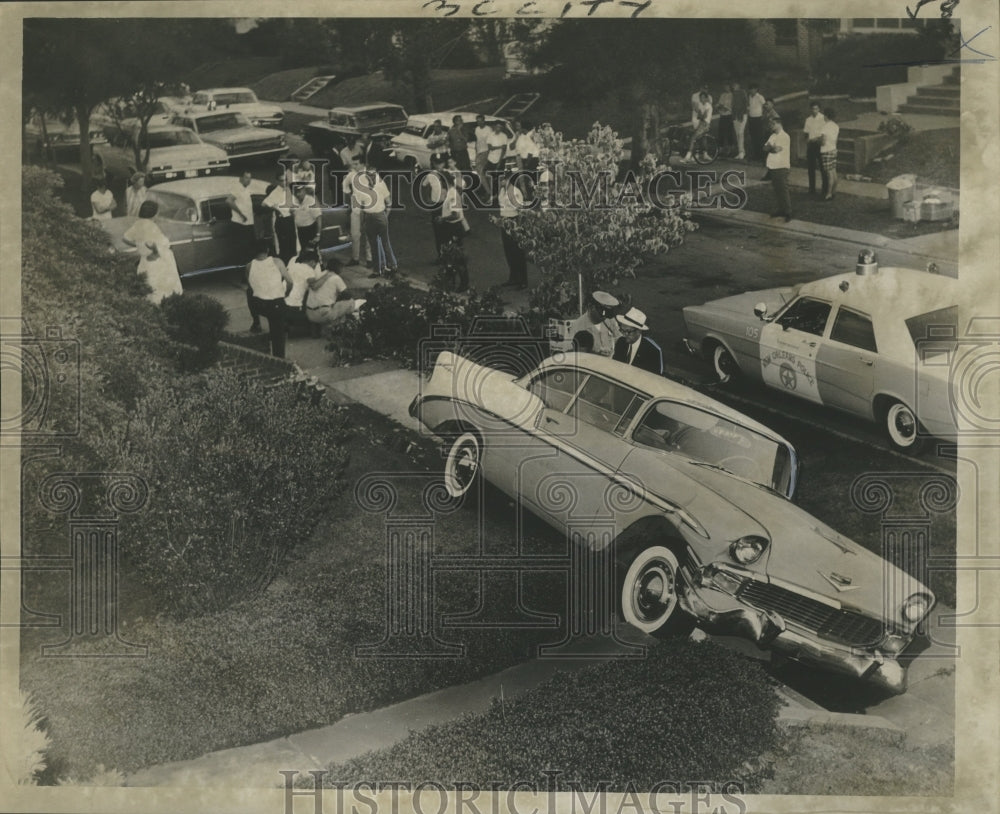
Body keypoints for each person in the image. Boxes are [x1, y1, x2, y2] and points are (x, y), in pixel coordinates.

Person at [122, 200, 182, 304]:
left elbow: (125, 238)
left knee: (148, 284)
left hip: (144, 260)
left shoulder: (138, 224)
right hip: (155, 260)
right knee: (160, 286)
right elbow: (160, 244)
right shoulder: (152, 226)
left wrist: (138, 245)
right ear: (153, 213)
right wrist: (155, 249)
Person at [245, 239, 291, 355]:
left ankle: (256, 322)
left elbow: (251, 286)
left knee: (249, 292)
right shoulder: (277, 262)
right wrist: (286, 293)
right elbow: (290, 282)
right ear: (268, 250)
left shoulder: (249, 266)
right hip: (276, 304)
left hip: (259, 305)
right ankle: (279, 357)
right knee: (278, 335)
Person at [355, 161, 398, 278]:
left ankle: (393, 266)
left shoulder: (381, 184)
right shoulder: (362, 187)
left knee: (385, 242)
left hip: (379, 215)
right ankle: (377, 269)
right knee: (373, 245)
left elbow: (389, 202)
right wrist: (361, 222)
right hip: (368, 217)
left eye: (374, 174)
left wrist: (386, 216)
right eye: (369, 174)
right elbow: (361, 206)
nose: (371, 177)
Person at [304, 258, 366, 327]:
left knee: (334, 305)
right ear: (338, 268)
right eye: (341, 268)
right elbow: (347, 295)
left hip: (309, 314)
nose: (342, 270)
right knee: (350, 302)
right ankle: (336, 325)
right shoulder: (335, 277)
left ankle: (325, 325)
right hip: (323, 314)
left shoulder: (320, 274)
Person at [567, 291, 621, 358]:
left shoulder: (609, 320)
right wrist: (596, 354)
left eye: (607, 312)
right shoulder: (577, 327)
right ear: (591, 307)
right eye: (602, 312)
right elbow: (575, 355)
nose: (604, 316)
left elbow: (619, 337)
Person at [497, 170, 527, 288]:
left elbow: (521, 210)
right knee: (508, 251)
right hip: (504, 221)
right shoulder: (502, 190)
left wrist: (519, 227)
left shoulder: (515, 192)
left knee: (517, 252)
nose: (500, 182)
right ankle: (513, 277)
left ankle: (523, 280)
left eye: (503, 179)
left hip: (514, 221)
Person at [262, 168, 298, 264]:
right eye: (281, 180)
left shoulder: (288, 190)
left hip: (291, 220)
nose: (284, 182)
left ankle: (292, 266)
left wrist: (293, 207)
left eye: (285, 179)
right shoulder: (276, 192)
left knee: (293, 244)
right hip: (282, 221)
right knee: (284, 247)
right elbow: (264, 203)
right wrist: (277, 208)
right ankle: (285, 266)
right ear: (277, 181)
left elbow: (295, 203)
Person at [612, 308, 663, 376]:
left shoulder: (653, 351)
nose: (624, 334)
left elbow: (656, 379)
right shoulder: (621, 342)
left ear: (639, 331)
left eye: (628, 332)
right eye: (622, 330)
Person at [342, 157, 372, 267]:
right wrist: (349, 198)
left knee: (369, 234)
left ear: (363, 164)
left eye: (356, 164)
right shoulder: (351, 175)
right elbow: (344, 185)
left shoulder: (370, 174)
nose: (354, 166)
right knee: (355, 234)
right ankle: (355, 258)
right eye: (353, 164)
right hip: (356, 207)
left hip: (369, 207)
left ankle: (370, 259)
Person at [420, 153, 449, 260]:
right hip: (436, 206)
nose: (439, 166)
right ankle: (441, 255)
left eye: (441, 163)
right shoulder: (431, 175)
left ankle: (449, 256)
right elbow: (425, 185)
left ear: (444, 163)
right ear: (432, 163)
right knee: (438, 232)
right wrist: (427, 198)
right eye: (436, 163)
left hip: (447, 206)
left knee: (447, 232)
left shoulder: (448, 174)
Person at [763, 117, 792, 222]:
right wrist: (771, 147)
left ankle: (788, 212)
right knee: (777, 190)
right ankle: (781, 209)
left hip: (781, 167)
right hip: (773, 166)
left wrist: (771, 147)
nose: (771, 126)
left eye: (773, 124)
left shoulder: (784, 136)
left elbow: (776, 150)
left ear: (779, 124)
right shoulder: (773, 135)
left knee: (783, 190)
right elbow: (765, 148)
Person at [226, 171, 256, 261]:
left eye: (250, 178)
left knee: (250, 247)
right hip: (240, 223)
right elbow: (228, 201)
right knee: (243, 249)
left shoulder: (246, 189)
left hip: (248, 223)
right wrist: (241, 214)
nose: (249, 180)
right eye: (246, 178)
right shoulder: (237, 188)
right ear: (241, 178)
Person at [682, 92, 713, 163]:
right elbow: (699, 116)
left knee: (693, 138)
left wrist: (701, 114)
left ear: (706, 98)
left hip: (705, 124)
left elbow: (703, 116)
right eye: (700, 98)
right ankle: (703, 154)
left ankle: (688, 156)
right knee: (701, 138)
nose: (701, 99)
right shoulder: (701, 105)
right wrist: (701, 114)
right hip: (701, 123)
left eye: (702, 97)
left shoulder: (708, 106)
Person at [803, 101, 826, 196]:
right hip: (811, 146)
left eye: (816, 108)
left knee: (822, 168)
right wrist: (807, 140)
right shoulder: (808, 119)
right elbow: (806, 133)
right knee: (811, 168)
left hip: (820, 145)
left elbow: (824, 134)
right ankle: (811, 189)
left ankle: (824, 189)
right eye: (813, 109)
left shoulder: (823, 118)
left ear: (819, 109)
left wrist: (816, 139)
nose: (814, 110)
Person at [291, 183, 323, 249]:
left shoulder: (311, 201)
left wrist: (318, 235)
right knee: (303, 252)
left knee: (312, 252)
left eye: (299, 191)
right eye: (296, 192)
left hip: (310, 230)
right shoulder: (295, 201)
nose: (298, 194)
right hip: (299, 231)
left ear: (304, 190)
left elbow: (319, 218)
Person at [485, 120, 509, 204]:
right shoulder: (490, 135)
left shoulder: (504, 136)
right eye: (497, 127)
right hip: (491, 159)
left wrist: (499, 161)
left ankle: (500, 197)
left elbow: (504, 149)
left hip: (501, 159)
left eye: (500, 127)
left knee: (500, 178)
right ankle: (492, 195)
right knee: (489, 176)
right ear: (494, 127)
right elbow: (490, 148)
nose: (498, 129)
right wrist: (499, 147)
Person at [820, 108, 840, 201]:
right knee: (833, 171)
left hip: (826, 150)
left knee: (829, 174)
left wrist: (818, 141)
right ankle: (834, 191)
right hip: (833, 149)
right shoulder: (836, 126)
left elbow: (823, 142)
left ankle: (828, 194)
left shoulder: (825, 127)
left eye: (824, 114)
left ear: (826, 116)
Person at [513, 119, 540, 185]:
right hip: (529, 160)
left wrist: (526, 164)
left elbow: (530, 152)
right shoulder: (527, 135)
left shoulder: (529, 136)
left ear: (524, 128)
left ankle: (531, 193)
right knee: (530, 180)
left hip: (530, 160)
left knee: (530, 180)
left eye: (520, 127)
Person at [747, 84, 766, 161]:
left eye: (753, 89)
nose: (751, 91)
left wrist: (763, 116)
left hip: (758, 119)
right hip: (751, 119)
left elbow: (765, 106)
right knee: (753, 137)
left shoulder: (760, 97)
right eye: (750, 89)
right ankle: (756, 155)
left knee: (759, 137)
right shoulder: (749, 97)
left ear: (756, 89)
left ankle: (762, 155)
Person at [731, 81, 748, 160]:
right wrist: (734, 116)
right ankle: (740, 152)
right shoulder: (733, 94)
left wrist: (741, 114)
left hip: (742, 115)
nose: (733, 86)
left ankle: (742, 152)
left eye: (735, 84)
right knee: (737, 134)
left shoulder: (742, 92)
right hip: (735, 116)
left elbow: (745, 104)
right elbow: (733, 106)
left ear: (739, 85)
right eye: (733, 85)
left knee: (740, 133)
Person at [716, 85, 734, 157]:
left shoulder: (733, 95)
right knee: (721, 131)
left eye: (727, 86)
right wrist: (718, 107)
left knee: (729, 132)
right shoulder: (722, 95)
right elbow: (719, 104)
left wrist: (727, 108)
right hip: (722, 115)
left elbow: (733, 106)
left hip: (729, 115)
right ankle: (721, 148)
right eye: (725, 86)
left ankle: (730, 148)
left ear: (730, 87)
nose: (726, 88)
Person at [473, 114, 491, 181]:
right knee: (479, 170)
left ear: (484, 121)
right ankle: (486, 186)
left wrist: (489, 153)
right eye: (478, 121)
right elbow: (477, 140)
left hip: (486, 151)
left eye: (481, 121)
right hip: (479, 152)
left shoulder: (488, 129)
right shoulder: (477, 129)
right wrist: (476, 150)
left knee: (482, 170)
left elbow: (490, 142)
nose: (479, 123)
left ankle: (488, 188)